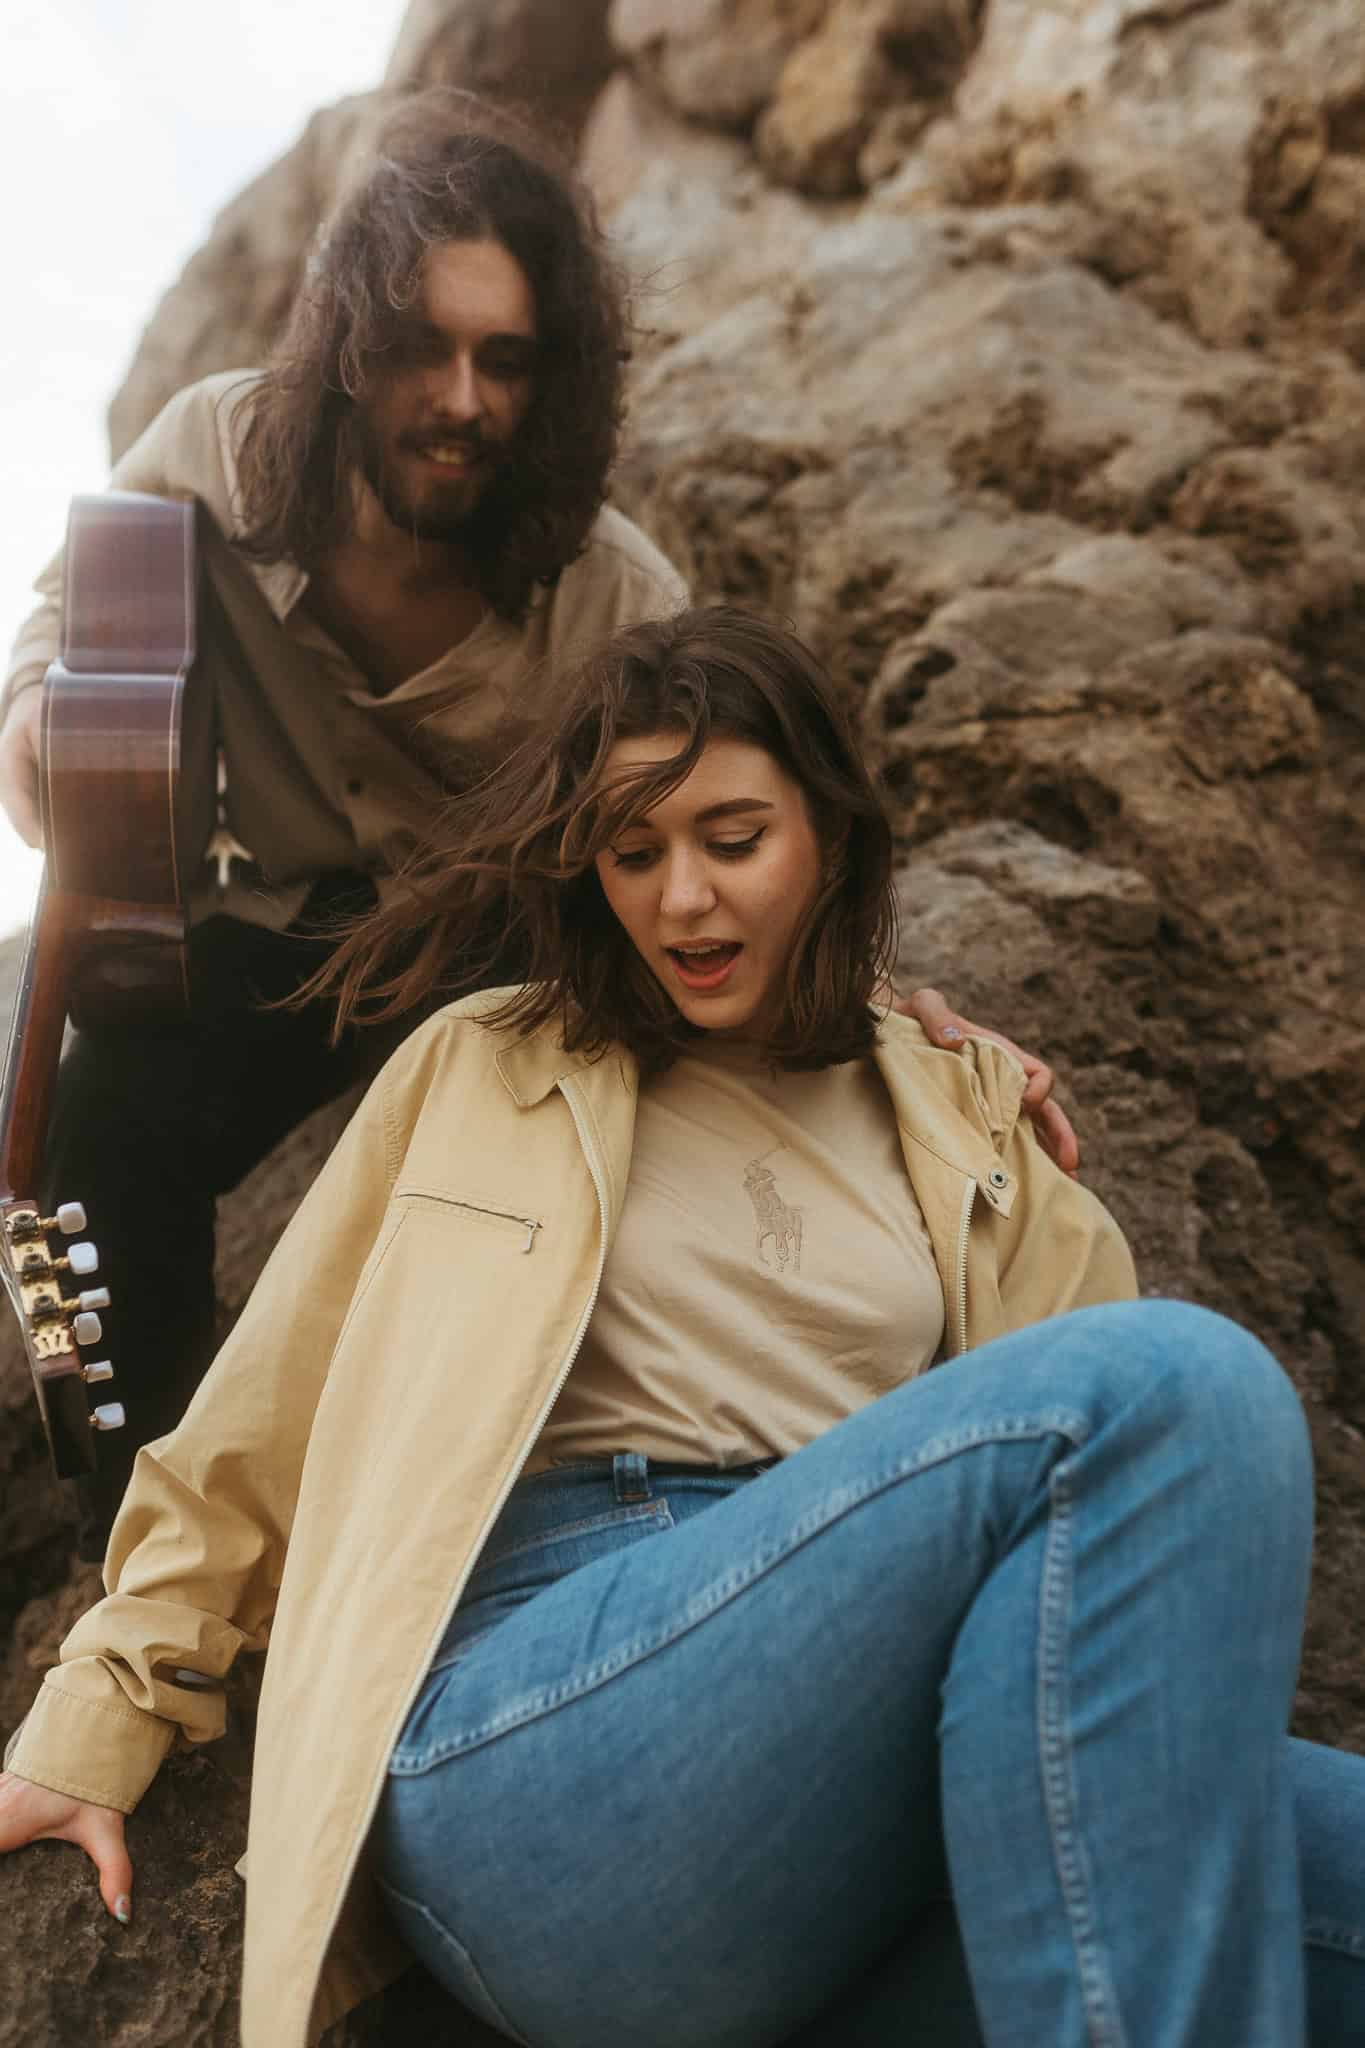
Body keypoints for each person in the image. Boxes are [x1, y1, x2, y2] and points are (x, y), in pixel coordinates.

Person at [2, 604, 1361, 2048]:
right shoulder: (487, 1069)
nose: (684, 902)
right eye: (634, 852)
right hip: (545, 1735)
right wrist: (98, 1716)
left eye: (734, 839)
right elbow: (260, 1429)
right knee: (1178, 1382)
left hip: (883, 1769)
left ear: (828, 837)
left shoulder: (964, 1112)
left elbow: (1113, 1558)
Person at [0, 92, 1073, 1553]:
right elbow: (67, 616)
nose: (460, 398)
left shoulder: (615, 592)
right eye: (418, 348)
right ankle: (150, 1539)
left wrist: (894, 1016)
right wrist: (43, 720)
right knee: (111, 1111)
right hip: (278, 925)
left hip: (496, 956)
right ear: (346, 344)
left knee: (536, 1174)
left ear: (552, 380)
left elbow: (729, 848)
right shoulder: (212, 452)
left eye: (505, 360)